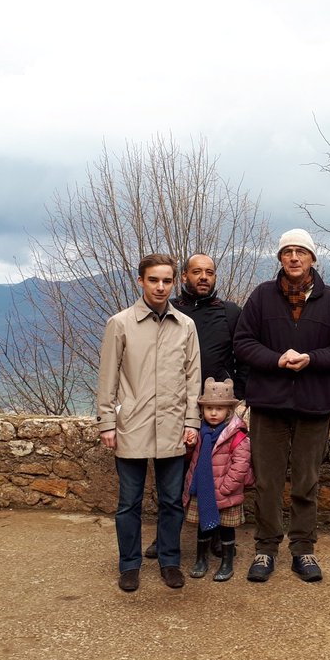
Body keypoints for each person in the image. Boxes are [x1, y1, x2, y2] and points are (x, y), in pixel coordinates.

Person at [233, 228, 330, 583]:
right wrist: (276, 360)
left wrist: (311, 358)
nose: (294, 257)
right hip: (269, 405)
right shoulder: (261, 297)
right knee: (268, 482)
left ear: (313, 258)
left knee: (306, 481)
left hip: (313, 406)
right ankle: (266, 549)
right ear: (280, 258)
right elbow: (243, 343)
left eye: (301, 252)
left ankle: (303, 550)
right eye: (287, 251)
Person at [96, 253, 201, 592]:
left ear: (174, 283)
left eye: (166, 280)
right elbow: (107, 377)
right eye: (153, 279)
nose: (160, 286)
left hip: (173, 426)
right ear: (140, 281)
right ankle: (129, 565)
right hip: (132, 427)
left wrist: (192, 422)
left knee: (172, 500)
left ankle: (170, 561)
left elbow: (192, 378)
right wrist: (107, 423)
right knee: (129, 502)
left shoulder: (185, 326)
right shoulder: (121, 323)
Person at [144, 252, 246, 561]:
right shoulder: (169, 310)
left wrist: (237, 401)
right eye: (197, 272)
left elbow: (244, 359)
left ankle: (215, 533)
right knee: (171, 478)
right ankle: (165, 537)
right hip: (175, 408)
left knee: (214, 475)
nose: (204, 277)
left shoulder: (231, 312)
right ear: (184, 276)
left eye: (210, 272)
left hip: (218, 412)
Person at [182, 377, 252, 582]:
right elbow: (190, 459)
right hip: (202, 488)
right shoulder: (200, 432)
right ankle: (201, 560)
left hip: (225, 491)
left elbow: (240, 466)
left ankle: (226, 563)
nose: (213, 413)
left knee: (226, 530)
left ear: (229, 411)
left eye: (219, 409)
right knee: (203, 527)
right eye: (209, 408)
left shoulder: (237, 436)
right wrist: (188, 445)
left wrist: (225, 488)